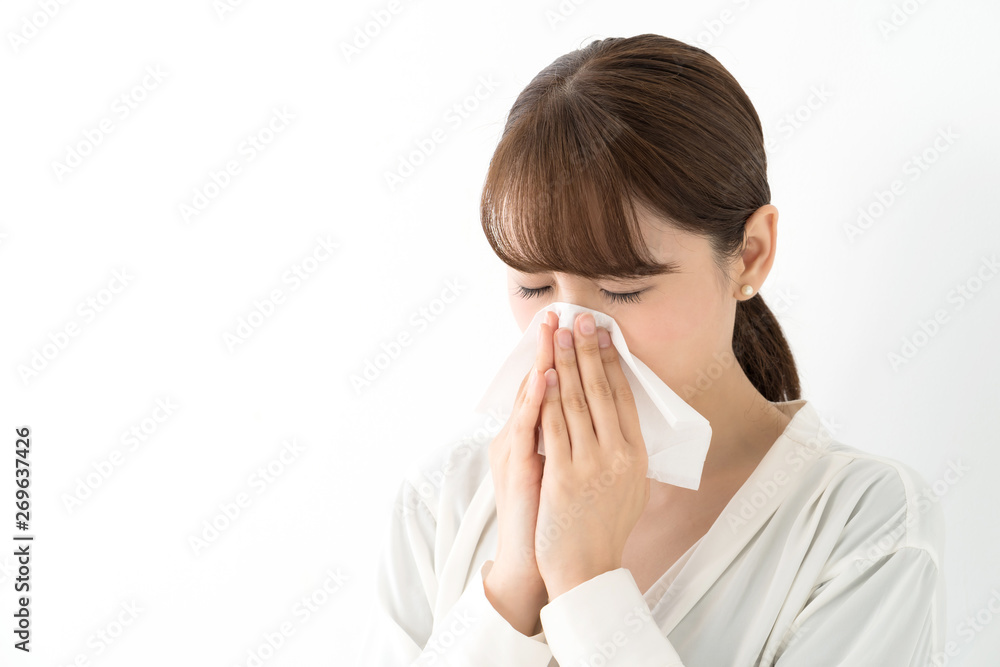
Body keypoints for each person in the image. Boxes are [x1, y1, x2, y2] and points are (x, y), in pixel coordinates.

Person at [354, 33, 945, 666]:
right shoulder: (443, 498)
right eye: (534, 286)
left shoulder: (864, 525)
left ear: (751, 255)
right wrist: (513, 585)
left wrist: (585, 584)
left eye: (623, 289)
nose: (568, 331)